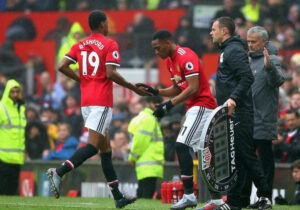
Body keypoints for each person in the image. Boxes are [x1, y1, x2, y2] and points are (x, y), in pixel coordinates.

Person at [46, 10, 149, 208]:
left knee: (106, 150)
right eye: (106, 23)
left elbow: (62, 65)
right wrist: (132, 87)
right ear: (102, 24)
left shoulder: (79, 44)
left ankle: (118, 197)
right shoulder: (110, 44)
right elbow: (110, 73)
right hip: (101, 102)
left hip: (86, 102)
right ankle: (58, 172)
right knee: (93, 146)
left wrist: (81, 79)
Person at [136, 29, 218, 210]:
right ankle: (216, 199)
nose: (156, 52)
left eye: (158, 48)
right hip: (193, 108)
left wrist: (169, 105)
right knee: (203, 154)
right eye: (154, 49)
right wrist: (157, 92)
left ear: (167, 42)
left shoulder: (185, 56)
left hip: (203, 106)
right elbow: (178, 88)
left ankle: (189, 196)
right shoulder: (171, 62)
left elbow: (194, 88)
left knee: (181, 145)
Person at [205, 16, 272, 210]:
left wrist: (233, 98)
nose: (211, 32)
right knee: (237, 158)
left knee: (245, 155)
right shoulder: (227, 50)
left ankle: (265, 196)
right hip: (232, 112)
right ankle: (236, 201)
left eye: (214, 29)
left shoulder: (233, 50)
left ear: (224, 31)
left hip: (240, 111)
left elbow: (247, 77)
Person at [241, 26, 285, 208]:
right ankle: (244, 197)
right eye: (248, 41)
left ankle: (265, 197)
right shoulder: (247, 61)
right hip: (247, 119)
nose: (250, 45)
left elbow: (278, 81)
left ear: (264, 43)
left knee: (265, 160)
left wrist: (269, 68)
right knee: (246, 159)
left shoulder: (272, 59)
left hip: (264, 118)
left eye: (254, 42)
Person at [127, 96, 164, 199]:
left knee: (142, 195)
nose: (157, 104)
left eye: (159, 102)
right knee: (146, 197)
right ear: (147, 103)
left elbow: (134, 139)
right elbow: (141, 141)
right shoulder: (149, 119)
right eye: (155, 102)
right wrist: (132, 157)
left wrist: (133, 157)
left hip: (144, 163)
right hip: (150, 162)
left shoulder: (140, 118)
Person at [0, 79, 26, 195]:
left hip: (17, 158)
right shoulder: (2, 108)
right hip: (3, 157)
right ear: (7, 93)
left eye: (17, 92)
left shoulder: (21, 108)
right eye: (12, 92)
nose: (15, 94)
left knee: (11, 192)